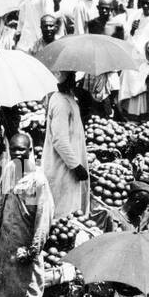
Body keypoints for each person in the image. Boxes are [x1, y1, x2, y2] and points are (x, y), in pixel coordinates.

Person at [0, 133, 54, 297]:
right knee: (5, 286)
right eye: (13, 150)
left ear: (30, 151)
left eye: (21, 150)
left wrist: (33, 250)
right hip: (6, 242)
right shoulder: (9, 171)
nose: (16, 154)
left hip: (25, 245)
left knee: (28, 289)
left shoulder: (38, 181)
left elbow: (43, 219)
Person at [42, 71, 90, 220]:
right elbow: (60, 140)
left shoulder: (68, 98)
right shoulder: (60, 102)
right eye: (71, 76)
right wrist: (76, 166)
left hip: (67, 165)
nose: (74, 80)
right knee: (63, 215)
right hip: (63, 168)